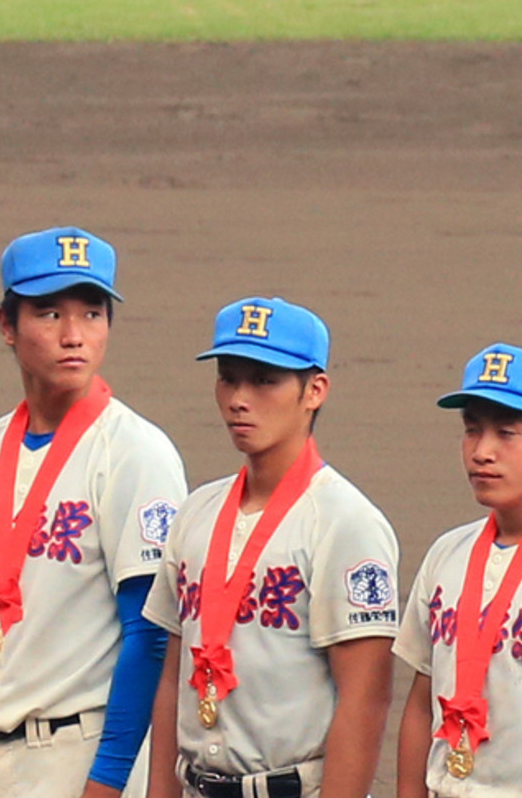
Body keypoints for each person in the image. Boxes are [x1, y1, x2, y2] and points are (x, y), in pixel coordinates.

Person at [0, 227, 187, 798]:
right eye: (49, 314)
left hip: (79, 754)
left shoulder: (134, 454)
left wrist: (109, 779)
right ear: (7, 325)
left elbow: (146, 633)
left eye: (92, 314)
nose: (74, 336)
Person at [141, 297, 397, 798]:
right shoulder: (195, 513)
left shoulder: (346, 522)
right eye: (229, 377)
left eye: (264, 380)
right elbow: (172, 676)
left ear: (314, 390)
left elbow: (365, 700)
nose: (240, 398)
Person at [394, 342, 522, 798]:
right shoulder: (447, 553)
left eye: (506, 433)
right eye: (472, 430)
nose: (482, 451)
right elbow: (419, 701)